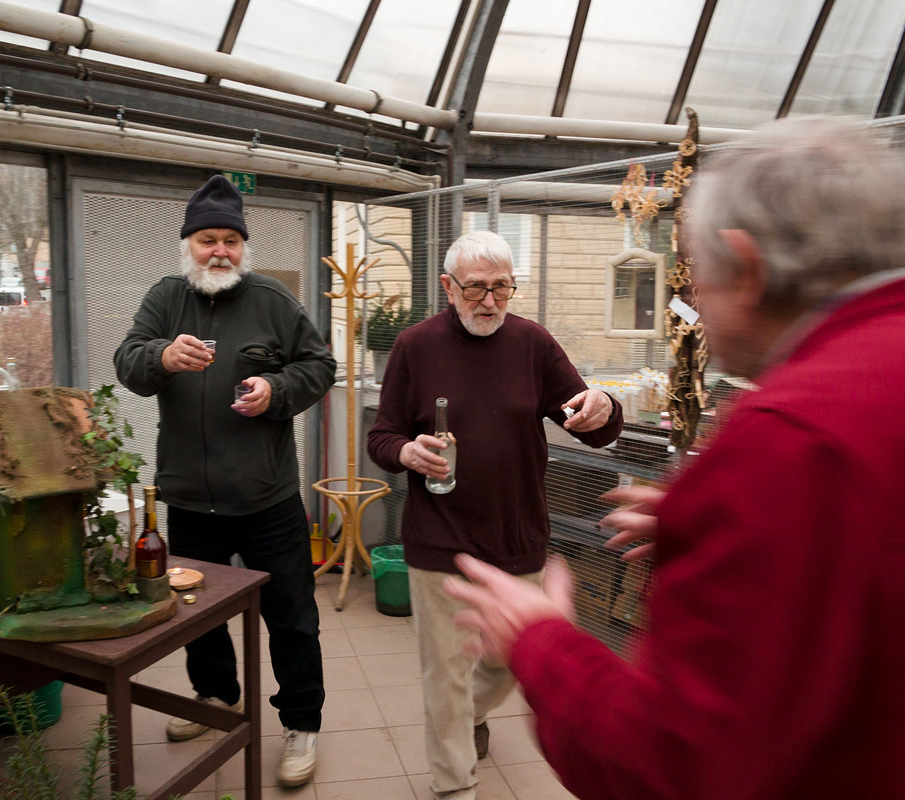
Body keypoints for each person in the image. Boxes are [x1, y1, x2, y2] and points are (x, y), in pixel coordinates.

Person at [444, 117, 905, 800]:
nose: (693, 308)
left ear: (745, 268)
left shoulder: (789, 436)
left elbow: (673, 765)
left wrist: (540, 641)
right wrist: (730, 521)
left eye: (697, 280)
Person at [366, 230, 623, 800]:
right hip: (439, 538)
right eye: (475, 288)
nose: (489, 301)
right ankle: (454, 784)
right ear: (447, 287)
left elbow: (592, 424)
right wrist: (406, 452)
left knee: (511, 661)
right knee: (445, 674)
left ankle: (470, 714)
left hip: (516, 534)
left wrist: (604, 407)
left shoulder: (533, 344)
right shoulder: (415, 346)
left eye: (501, 288)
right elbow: (381, 435)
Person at [114, 175, 335, 787]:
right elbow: (127, 361)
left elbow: (320, 365)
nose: (219, 251)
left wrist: (276, 389)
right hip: (189, 498)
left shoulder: (271, 300)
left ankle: (301, 723)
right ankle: (215, 699)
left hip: (267, 499)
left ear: (244, 246)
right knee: (197, 615)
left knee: (292, 619)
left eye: (230, 240)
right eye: (208, 239)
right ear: (188, 244)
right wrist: (162, 357)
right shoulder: (165, 298)